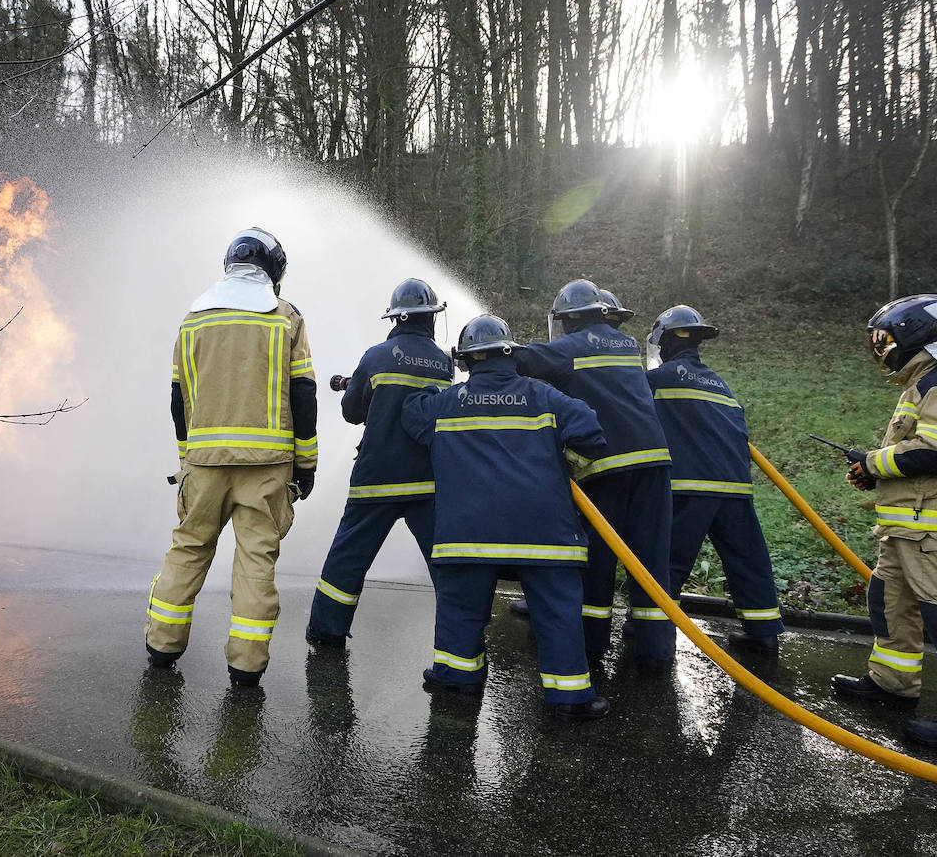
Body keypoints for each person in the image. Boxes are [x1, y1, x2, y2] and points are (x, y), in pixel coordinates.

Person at [401, 314, 612, 721]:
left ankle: (456, 679)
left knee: (460, 608)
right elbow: (590, 430)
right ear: (510, 355)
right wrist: (566, 466)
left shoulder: (447, 403)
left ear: (466, 361)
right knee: (556, 613)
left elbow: (412, 416)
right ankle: (570, 700)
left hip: (468, 534)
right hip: (545, 533)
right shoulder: (544, 396)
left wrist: (435, 385)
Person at [831, 294, 937, 756]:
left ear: (911, 333)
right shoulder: (926, 380)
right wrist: (874, 471)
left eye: (884, 338)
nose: (880, 347)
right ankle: (892, 682)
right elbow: (921, 456)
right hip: (911, 530)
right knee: (889, 602)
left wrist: (873, 462)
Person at [144, 227, 318, 688]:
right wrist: (307, 464)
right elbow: (304, 396)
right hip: (267, 468)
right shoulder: (286, 319)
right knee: (256, 561)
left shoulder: (193, 320)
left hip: (203, 465)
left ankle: (161, 646)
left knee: (189, 548)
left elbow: (178, 400)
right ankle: (245, 666)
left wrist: (187, 459)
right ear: (274, 270)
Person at [513, 278, 676, 670]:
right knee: (651, 558)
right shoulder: (626, 344)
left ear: (568, 320)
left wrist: (487, 352)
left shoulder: (571, 347)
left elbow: (527, 360)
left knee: (597, 560)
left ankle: (589, 644)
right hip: (655, 463)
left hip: (608, 466)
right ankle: (655, 652)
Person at [306, 278, 453, 647]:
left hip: (376, 480)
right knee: (445, 564)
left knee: (348, 559)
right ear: (430, 318)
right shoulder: (445, 364)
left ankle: (327, 630)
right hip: (427, 483)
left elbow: (352, 412)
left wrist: (362, 391)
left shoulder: (375, 357)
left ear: (396, 319)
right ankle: (459, 638)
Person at [645, 305, 785, 654]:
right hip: (736, 485)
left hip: (690, 484)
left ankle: (651, 629)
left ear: (662, 340)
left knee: (669, 559)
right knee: (747, 559)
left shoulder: (660, 378)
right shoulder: (720, 383)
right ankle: (763, 631)